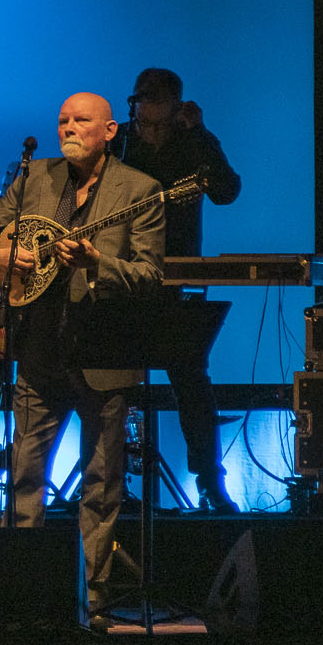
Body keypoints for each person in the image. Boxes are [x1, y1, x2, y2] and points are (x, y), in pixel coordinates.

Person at [0, 92, 164, 629]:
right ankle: (25, 588)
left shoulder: (140, 191)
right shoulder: (36, 179)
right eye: (62, 121)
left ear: (110, 130)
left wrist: (98, 262)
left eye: (81, 121)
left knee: (102, 483)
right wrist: (1, 255)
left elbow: (148, 275)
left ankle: (92, 596)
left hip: (106, 356)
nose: (69, 129)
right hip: (39, 354)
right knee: (24, 473)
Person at [113, 66, 244, 511]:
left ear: (174, 105)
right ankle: (115, 483)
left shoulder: (192, 144)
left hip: (177, 281)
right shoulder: (120, 145)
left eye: (151, 98)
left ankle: (210, 482)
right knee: (114, 380)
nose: (140, 106)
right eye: (137, 98)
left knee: (191, 380)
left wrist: (202, 132)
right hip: (125, 279)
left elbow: (227, 191)